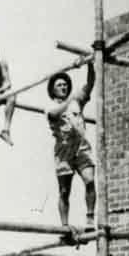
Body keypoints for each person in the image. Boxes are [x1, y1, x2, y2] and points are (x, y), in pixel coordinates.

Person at [47, 60, 96, 230]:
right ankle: (65, 226)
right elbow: (54, 113)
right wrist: (69, 100)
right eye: (59, 85)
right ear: (53, 90)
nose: (63, 87)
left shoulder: (76, 101)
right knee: (64, 191)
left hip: (81, 148)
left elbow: (90, 84)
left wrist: (90, 63)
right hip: (64, 151)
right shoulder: (51, 106)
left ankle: (90, 219)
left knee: (90, 181)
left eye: (65, 85)